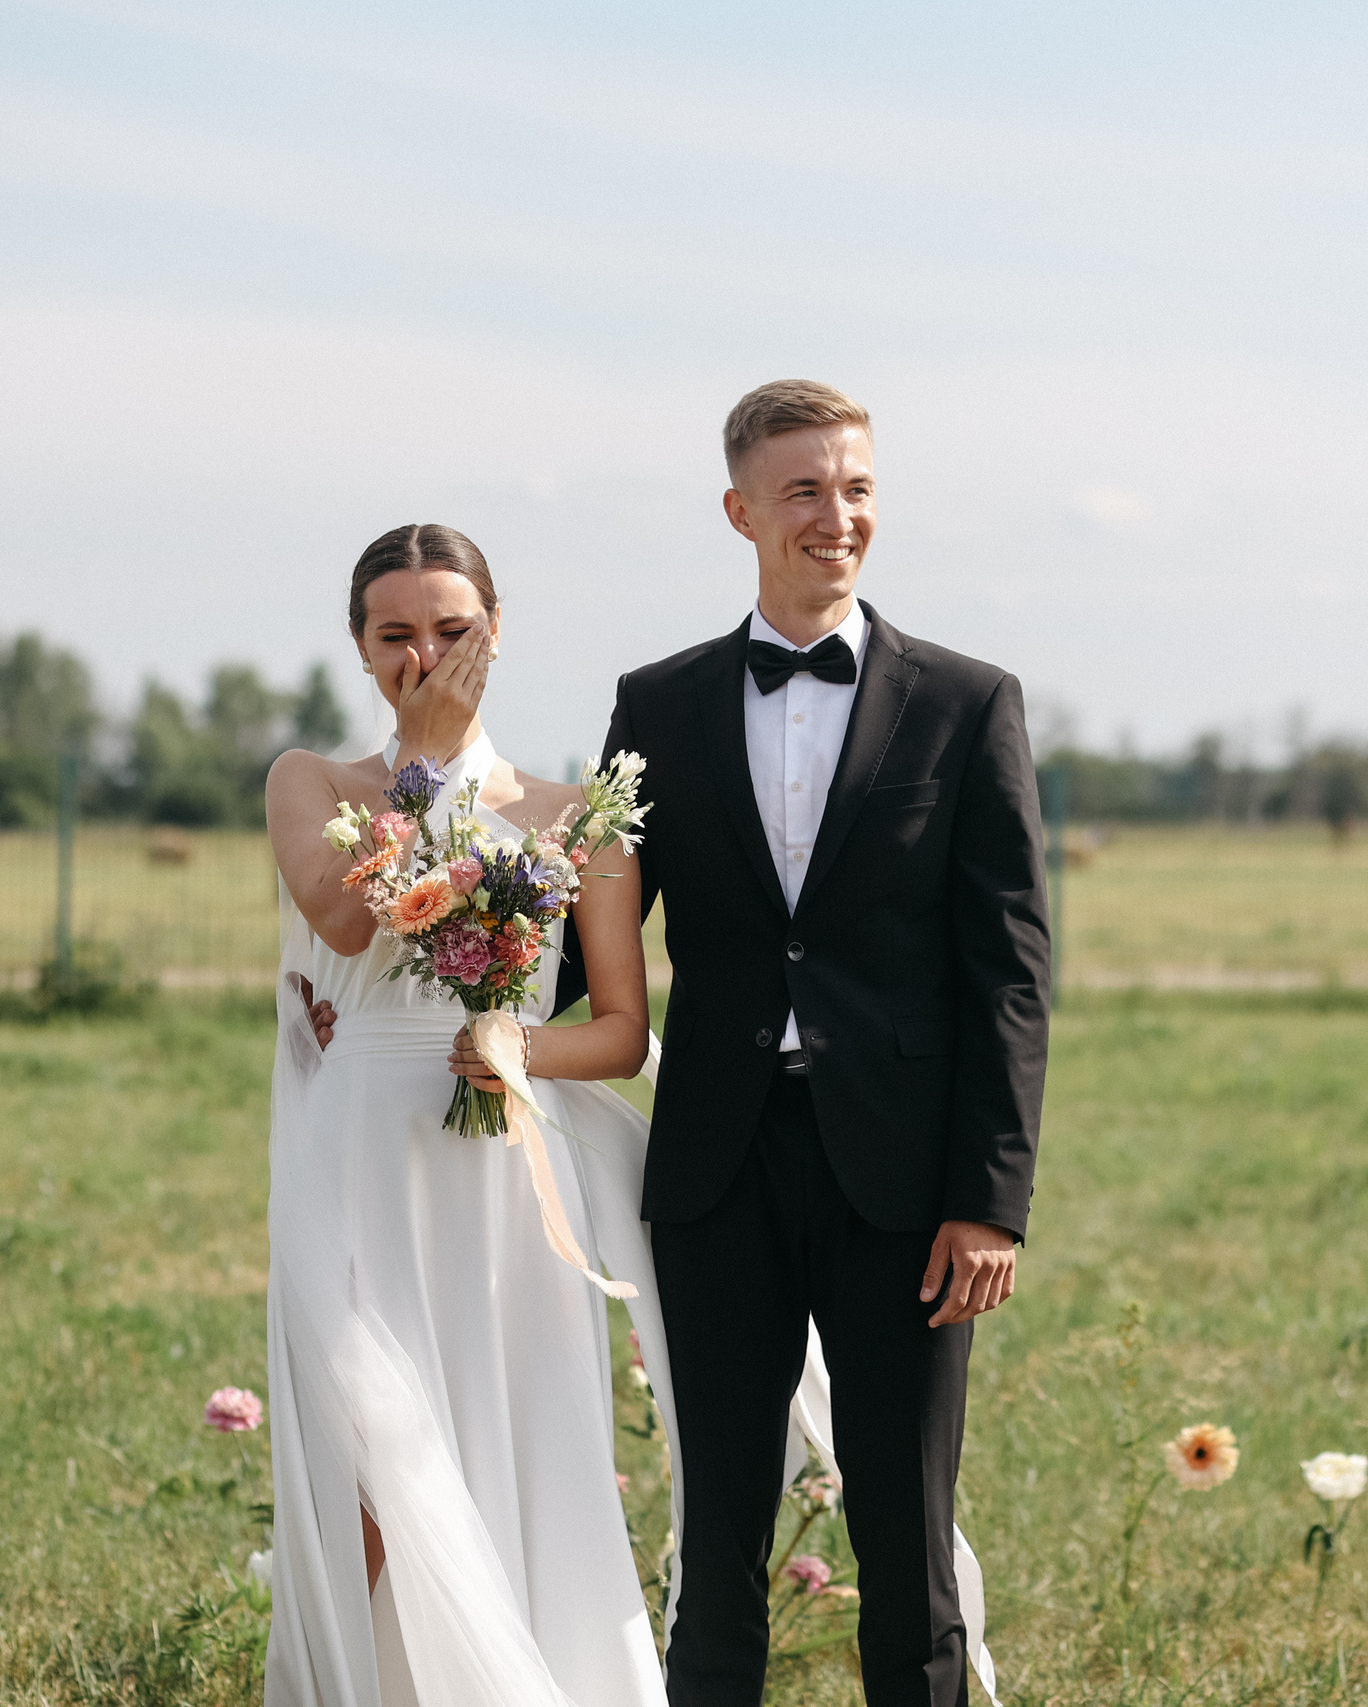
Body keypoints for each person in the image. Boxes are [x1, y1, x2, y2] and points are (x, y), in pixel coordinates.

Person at [554, 380, 1051, 1707]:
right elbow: (592, 937)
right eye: (807, 490)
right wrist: (480, 1024)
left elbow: (1012, 971)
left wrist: (987, 1197)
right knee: (717, 1530)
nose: (839, 516)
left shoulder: (967, 702)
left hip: (902, 1184)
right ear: (741, 511)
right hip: (717, 1167)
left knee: (907, 1526)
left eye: (860, 488)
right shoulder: (653, 706)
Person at [259, 523, 677, 1706]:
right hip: (354, 1159)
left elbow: (621, 1034)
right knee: (371, 1456)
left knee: (511, 1439)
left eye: (452, 630)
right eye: (395, 634)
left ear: (496, 632)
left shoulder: (571, 815)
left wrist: (517, 1045)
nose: (424, 655)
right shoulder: (313, 782)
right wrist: (423, 771)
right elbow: (342, 924)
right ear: (358, 646)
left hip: (499, 1177)